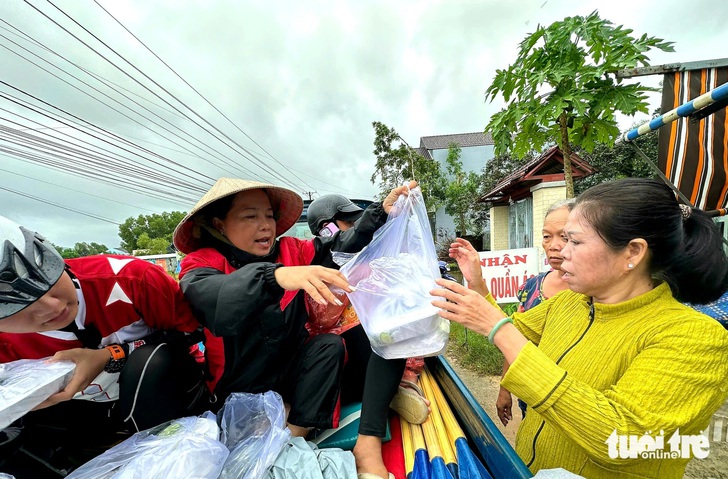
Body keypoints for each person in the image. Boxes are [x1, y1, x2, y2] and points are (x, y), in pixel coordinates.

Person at [431, 178, 728, 478]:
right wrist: (478, 286)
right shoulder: (571, 303)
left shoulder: (696, 337)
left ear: (633, 252)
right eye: (555, 239)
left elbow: (620, 439)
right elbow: (510, 331)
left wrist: (500, 328)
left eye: (574, 240)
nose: (561, 251)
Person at [175, 178, 416, 479]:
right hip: (240, 389)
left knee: (329, 345)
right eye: (250, 216)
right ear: (219, 224)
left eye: (269, 215)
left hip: (290, 378)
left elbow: (339, 246)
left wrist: (380, 212)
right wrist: (276, 277)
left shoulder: (292, 251)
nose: (265, 225)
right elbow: (211, 298)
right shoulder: (202, 263)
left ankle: (294, 438)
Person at [0, 215, 208, 476]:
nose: (52, 307)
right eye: (16, 306)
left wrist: (112, 355)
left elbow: (194, 333)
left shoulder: (132, 277)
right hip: (69, 422)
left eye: (49, 278)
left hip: (160, 400)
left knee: (150, 363)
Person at [305, 194, 429, 479]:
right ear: (327, 231)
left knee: (392, 327)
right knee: (368, 331)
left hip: (370, 369)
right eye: (348, 221)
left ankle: (400, 387)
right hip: (334, 372)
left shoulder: (367, 261)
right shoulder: (316, 267)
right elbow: (323, 319)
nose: (356, 226)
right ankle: (388, 402)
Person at [493, 199, 575, 423]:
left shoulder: (594, 293)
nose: (553, 245)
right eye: (547, 236)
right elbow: (516, 338)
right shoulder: (531, 288)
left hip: (573, 403)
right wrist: (505, 389)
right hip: (530, 396)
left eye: (565, 236)